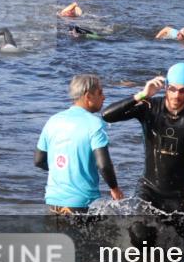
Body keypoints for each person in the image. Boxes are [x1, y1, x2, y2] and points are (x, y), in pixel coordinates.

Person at [102, 62, 184, 215]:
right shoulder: (149, 107)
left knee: (175, 239)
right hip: (147, 189)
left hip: (176, 195)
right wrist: (141, 95)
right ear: (166, 86)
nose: (176, 95)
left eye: (182, 91)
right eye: (172, 89)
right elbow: (107, 116)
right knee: (139, 234)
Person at [35, 74, 124, 214]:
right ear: (88, 96)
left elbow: (39, 161)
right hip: (82, 204)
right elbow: (104, 165)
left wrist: (65, 170)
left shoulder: (53, 121)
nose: (104, 97)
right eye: (100, 93)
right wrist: (115, 189)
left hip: (53, 203)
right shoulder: (95, 124)